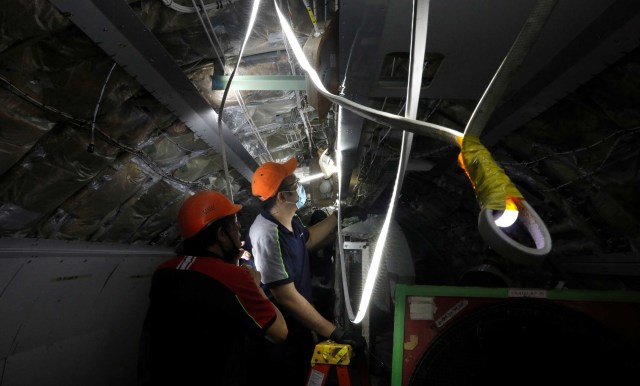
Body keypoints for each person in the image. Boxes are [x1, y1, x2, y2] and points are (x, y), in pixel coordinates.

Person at [137, 190, 287, 386]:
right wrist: (255, 286)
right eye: (234, 223)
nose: (239, 227)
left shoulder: (164, 272)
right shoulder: (234, 278)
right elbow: (279, 332)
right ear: (221, 235)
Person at [247, 157, 366, 386]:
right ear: (282, 197)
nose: (300, 188)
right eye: (295, 186)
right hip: (283, 337)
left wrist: (336, 218)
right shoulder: (268, 235)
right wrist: (335, 332)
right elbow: (287, 298)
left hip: (299, 326)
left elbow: (306, 240)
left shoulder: (289, 220)